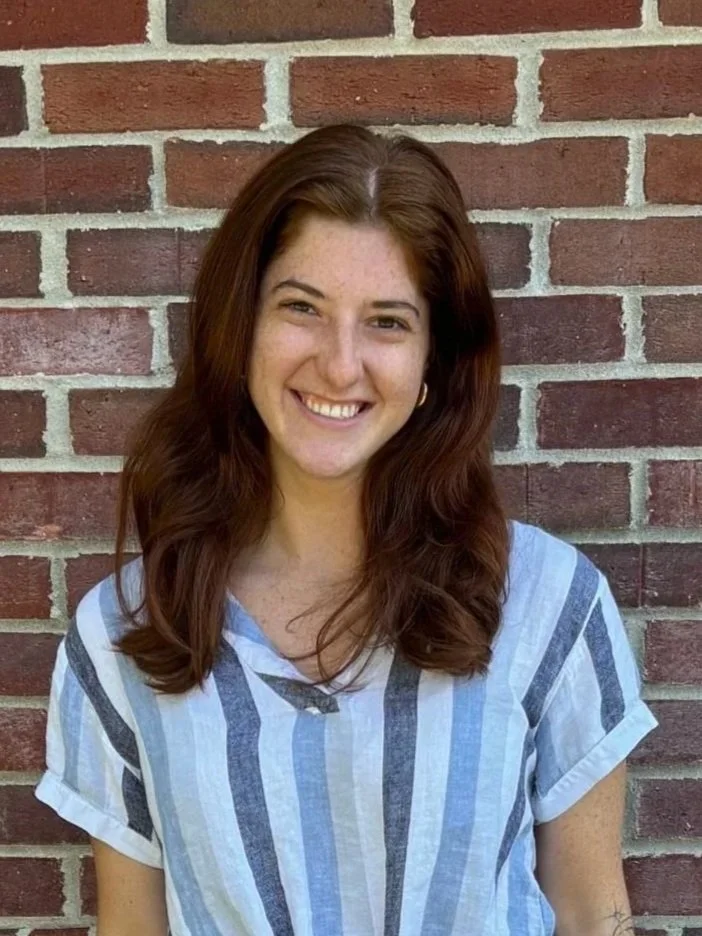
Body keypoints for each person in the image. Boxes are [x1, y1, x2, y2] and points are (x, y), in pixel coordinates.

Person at [35, 123, 658, 936]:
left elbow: (591, 914)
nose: (339, 363)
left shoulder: (552, 609)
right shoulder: (128, 635)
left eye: (388, 322)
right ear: (240, 327)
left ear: (436, 360)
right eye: (301, 307)